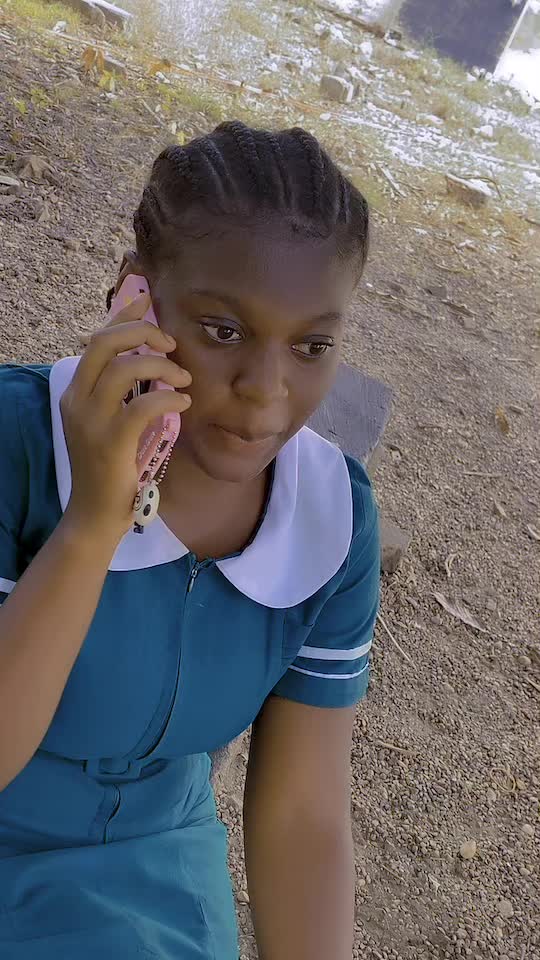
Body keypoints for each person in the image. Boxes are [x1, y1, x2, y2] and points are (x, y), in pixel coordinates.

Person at [0, 121, 380, 959]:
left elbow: (303, 814)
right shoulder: (14, 442)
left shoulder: (330, 520)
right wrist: (94, 521)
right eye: (224, 331)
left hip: (158, 874)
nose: (266, 391)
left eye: (313, 346)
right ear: (134, 298)